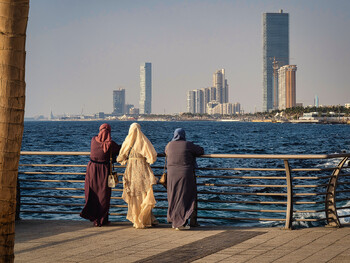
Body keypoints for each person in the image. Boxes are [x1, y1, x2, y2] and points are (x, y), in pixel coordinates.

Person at [117, 123, 158, 229]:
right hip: (143, 170)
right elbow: (152, 157)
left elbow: (120, 158)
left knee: (134, 195)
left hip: (131, 171)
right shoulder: (143, 140)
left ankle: (137, 220)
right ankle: (145, 219)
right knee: (144, 193)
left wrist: (127, 159)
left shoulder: (127, 142)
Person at [80, 123, 120, 227]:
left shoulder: (93, 140)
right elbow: (119, 149)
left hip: (92, 169)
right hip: (104, 170)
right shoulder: (110, 144)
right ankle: (102, 219)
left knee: (93, 194)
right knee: (104, 195)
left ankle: (94, 218)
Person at [165, 128, 204, 230]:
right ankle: (181, 223)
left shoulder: (169, 145)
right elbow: (200, 150)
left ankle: (174, 221)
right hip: (185, 174)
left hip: (171, 174)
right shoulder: (188, 144)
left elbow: (166, 153)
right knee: (185, 197)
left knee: (173, 196)